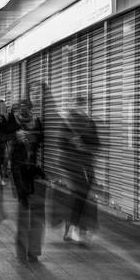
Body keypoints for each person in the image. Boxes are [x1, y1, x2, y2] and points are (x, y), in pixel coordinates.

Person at [7, 99, 45, 263]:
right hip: (18, 169)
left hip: (33, 169)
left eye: (27, 108)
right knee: (24, 208)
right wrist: (15, 137)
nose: (25, 111)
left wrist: (31, 138)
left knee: (36, 211)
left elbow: (42, 140)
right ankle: (23, 250)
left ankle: (33, 250)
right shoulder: (12, 121)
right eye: (21, 108)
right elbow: (4, 136)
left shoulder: (36, 121)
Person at [61, 95, 99, 245]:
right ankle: (74, 229)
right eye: (78, 104)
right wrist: (73, 145)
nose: (80, 108)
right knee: (79, 196)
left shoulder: (90, 123)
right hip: (71, 166)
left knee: (83, 198)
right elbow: (60, 144)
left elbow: (97, 144)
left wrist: (84, 147)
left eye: (82, 105)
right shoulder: (66, 123)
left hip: (86, 166)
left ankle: (76, 228)